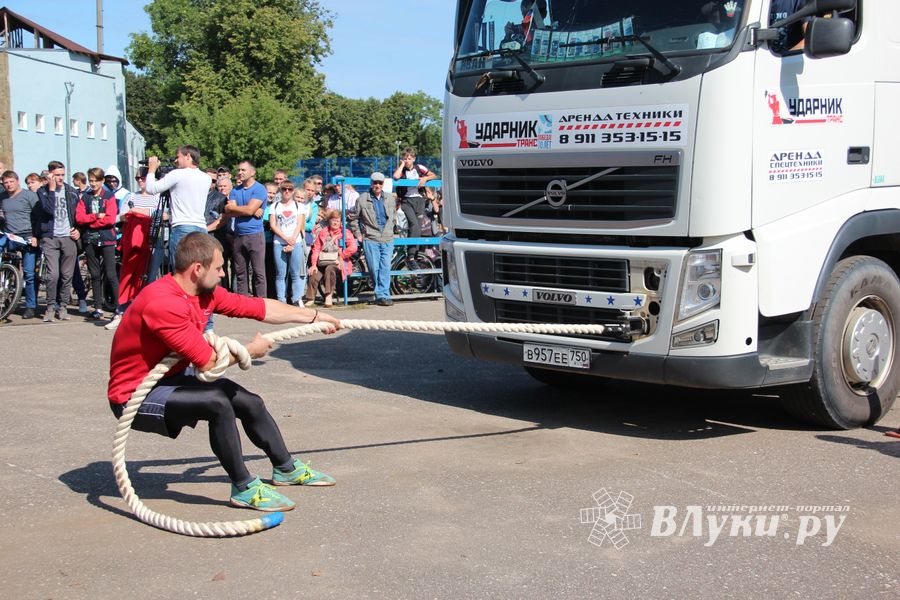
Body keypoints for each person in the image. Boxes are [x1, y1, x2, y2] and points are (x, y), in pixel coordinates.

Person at [107, 232, 341, 512]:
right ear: (197, 269)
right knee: (217, 403)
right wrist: (249, 351)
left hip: (172, 379)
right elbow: (207, 363)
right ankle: (243, 487)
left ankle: (286, 469)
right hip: (135, 397)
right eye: (218, 268)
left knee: (249, 401)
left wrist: (315, 317)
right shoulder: (164, 303)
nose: (222, 273)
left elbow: (259, 308)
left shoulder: (203, 293)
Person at [143, 146, 213, 268]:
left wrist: (152, 169)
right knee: (199, 268)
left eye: (178, 157)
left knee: (181, 270)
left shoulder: (177, 174)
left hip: (182, 227)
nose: (176, 161)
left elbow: (150, 189)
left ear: (188, 156)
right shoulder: (206, 178)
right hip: (201, 228)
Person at [114, 168, 160, 328]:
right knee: (128, 275)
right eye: (137, 178)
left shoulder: (158, 197)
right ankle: (122, 311)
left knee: (149, 278)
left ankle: (146, 313)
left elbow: (164, 214)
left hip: (152, 242)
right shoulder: (131, 196)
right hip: (133, 242)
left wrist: (140, 211)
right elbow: (118, 216)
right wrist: (128, 215)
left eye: (143, 178)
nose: (140, 181)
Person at [36, 160, 81, 322]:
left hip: (68, 237)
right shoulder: (43, 191)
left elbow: (78, 215)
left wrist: (78, 229)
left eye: (62, 174)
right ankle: (50, 307)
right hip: (50, 237)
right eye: (57, 175)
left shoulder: (71, 191)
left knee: (67, 275)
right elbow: (49, 209)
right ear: (50, 175)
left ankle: (63, 306)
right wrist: (51, 188)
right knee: (53, 275)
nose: (61, 178)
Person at [76, 167, 119, 324]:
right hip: (90, 240)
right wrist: (95, 216)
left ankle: (118, 308)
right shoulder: (85, 197)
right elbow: (79, 218)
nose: (93, 184)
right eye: (91, 181)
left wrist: (92, 224)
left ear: (102, 181)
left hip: (107, 239)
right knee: (94, 274)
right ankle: (98, 308)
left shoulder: (109, 196)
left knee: (111, 274)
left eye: (96, 181)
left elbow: (110, 219)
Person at [0, 170, 41, 318]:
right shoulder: (2, 197)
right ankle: (7, 296)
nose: (9, 185)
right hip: (10, 236)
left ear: (17, 181)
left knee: (29, 274)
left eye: (11, 181)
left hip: (28, 236)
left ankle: (30, 306)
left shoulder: (29, 196)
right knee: (4, 266)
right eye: (6, 182)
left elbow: (39, 217)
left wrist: (36, 236)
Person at [225, 160, 267, 297]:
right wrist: (249, 210)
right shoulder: (235, 190)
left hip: (255, 235)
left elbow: (246, 210)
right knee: (240, 272)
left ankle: (261, 302)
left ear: (252, 172)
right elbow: (230, 212)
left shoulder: (259, 189)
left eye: (243, 170)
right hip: (238, 235)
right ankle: (243, 302)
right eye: (239, 170)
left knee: (258, 272)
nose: (240, 172)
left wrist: (244, 209)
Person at [355, 172, 396, 306]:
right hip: (371, 237)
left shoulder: (390, 198)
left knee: (385, 267)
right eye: (375, 183)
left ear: (383, 184)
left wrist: (392, 229)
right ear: (371, 183)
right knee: (374, 268)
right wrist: (358, 234)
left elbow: (393, 216)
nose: (377, 185)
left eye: (380, 183)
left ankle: (383, 295)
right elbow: (354, 218)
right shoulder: (362, 199)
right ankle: (381, 294)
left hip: (387, 238)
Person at [306, 210, 357, 308]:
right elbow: (316, 249)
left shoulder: (345, 232)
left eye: (337, 221)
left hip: (338, 262)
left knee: (329, 269)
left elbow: (353, 247)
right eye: (333, 220)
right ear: (329, 221)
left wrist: (342, 256)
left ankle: (328, 296)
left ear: (341, 222)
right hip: (323, 260)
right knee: (314, 272)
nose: (335, 223)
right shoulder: (323, 232)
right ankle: (310, 298)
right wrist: (313, 264)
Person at [392, 148, 436, 255]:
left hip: (419, 200)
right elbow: (395, 176)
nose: (407, 160)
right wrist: (402, 164)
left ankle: (414, 253)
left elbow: (433, 175)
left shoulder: (419, 167)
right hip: (406, 201)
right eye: (405, 158)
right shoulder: (402, 170)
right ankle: (410, 254)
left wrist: (424, 179)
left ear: (414, 159)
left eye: (409, 158)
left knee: (418, 227)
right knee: (413, 224)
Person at [270, 184, 307, 306]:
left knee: (295, 273)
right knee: (281, 274)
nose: (287, 191)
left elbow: (299, 224)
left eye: (289, 189)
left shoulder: (299, 206)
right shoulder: (275, 206)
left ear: (293, 191)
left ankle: (296, 298)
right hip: (279, 242)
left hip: (295, 241)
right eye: (284, 189)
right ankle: (281, 300)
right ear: (280, 191)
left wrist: (292, 240)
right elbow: (273, 225)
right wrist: (285, 238)